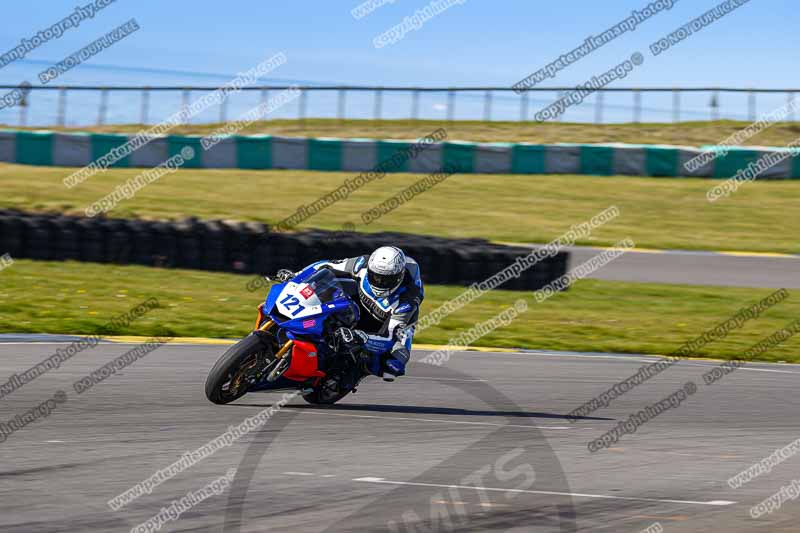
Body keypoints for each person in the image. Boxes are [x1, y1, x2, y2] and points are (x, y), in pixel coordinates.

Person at [277, 246, 423, 382]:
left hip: (388, 322)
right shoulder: (362, 264)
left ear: (399, 277)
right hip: (361, 300)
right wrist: (296, 276)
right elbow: (326, 265)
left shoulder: (407, 301)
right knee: (326, 286)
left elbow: (389, 336)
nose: (379, 282)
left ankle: (347, 371)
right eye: (376, 276)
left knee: (394, 363)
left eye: (386, 280)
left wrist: (362, 337)